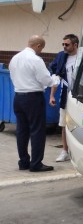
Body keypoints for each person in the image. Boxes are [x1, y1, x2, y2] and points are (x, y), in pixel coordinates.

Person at [9, 35, 60, 172]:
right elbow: (46, 80)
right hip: (33, 98)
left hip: (18, 96)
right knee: (37, 130)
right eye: (41, 48)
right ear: (38, 46)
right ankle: (36, 163)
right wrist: (55, 79)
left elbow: (12, 77)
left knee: (21, 130)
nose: (41, 51)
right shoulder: (36, 60)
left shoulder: (15, 58)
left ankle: (23, 161)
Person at [49, 34, 79, 162]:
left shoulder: (82, 57)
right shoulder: (62, 57)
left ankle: (78, 151)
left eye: (67, 44)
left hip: (80, 95)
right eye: (63, 44)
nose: (64, 47)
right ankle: (65, 151)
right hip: (66, 94)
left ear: (75, 45)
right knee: (64, 123)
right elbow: (57, 76)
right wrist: (51, 95)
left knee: (79, 124)